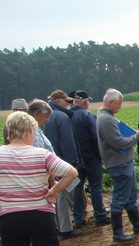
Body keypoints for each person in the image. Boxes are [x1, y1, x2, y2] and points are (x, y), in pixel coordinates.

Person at [0, 111, 79, 246]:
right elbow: (72, 173)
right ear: (26, 131)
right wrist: (55, 190)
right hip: (42, 215)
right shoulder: (42, 154)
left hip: (10, 217)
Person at [96, 89, 139, 242]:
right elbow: (118, 143)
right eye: (119, 103)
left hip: (123, 163)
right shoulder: (106, 119)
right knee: (119, 198)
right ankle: (117, 233)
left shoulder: (106, 117)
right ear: (111, 102)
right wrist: (138, 135)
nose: (120, 106)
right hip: (119, 164)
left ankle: (138, 224)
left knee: (130, 195)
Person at [44, 90, 83, 239]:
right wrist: (73, 163)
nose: (69, 104)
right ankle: (65, 228)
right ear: (58, 102)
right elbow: (68, 143)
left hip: (48, 163)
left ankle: (56, 226)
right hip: (62, 163)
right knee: (64, 197)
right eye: (66, 101)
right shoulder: (61, 116)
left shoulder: (46, 117)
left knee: (52, 196)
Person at [69, 90, 111, 228]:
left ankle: (78, 218)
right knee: (95, 187)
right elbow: (95, 138)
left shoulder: (67, 116)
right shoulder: (87, 115)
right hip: (91, 158)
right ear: (86, 102)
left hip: (75, 159)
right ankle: (100, 215)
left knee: (77, 187)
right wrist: (100, 155)